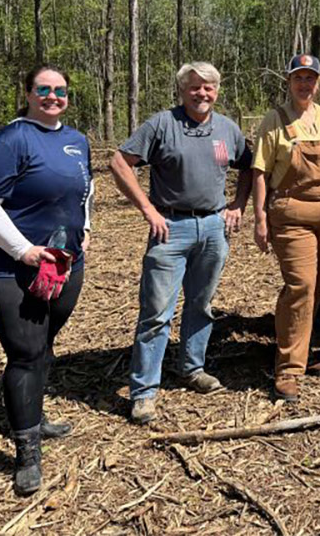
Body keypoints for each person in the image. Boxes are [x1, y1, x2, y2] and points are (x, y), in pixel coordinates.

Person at [0, 64, 94, 496]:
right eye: (43, 89)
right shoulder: (10, 140)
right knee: (24, 354)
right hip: (13, 270)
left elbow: (85, 190)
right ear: (28, 92)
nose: (52, 96)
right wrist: (23, 250)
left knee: (42, 348)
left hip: (64, 266)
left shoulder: (76, 141)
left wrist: (87, 229)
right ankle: (26, 452)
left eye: (60, 90)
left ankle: (34, 417)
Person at [110, 62, 252, 425]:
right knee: (157, 313)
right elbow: (120, 163)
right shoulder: (162, 125)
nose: (202, 93)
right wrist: (147, 209)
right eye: (195, 87)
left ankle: (192, 367)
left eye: (209, 87)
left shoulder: (227, 129)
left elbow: (249, 167)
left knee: (201, 304)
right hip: (169, 227)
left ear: (217, 91)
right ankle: (144, 392)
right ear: (182, 90)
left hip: (213, 227)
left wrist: (238, 205)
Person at [251, 54, 320, 402]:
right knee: (301, 285)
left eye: (310, 78)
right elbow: (259, 172)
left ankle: (304, 351)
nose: (304, 84)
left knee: (316, 286)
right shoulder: (274, 121)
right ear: (289, 82)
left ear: (318, 83)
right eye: (298, 78)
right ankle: (288, 368)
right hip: (290, 213)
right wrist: (260, 217)